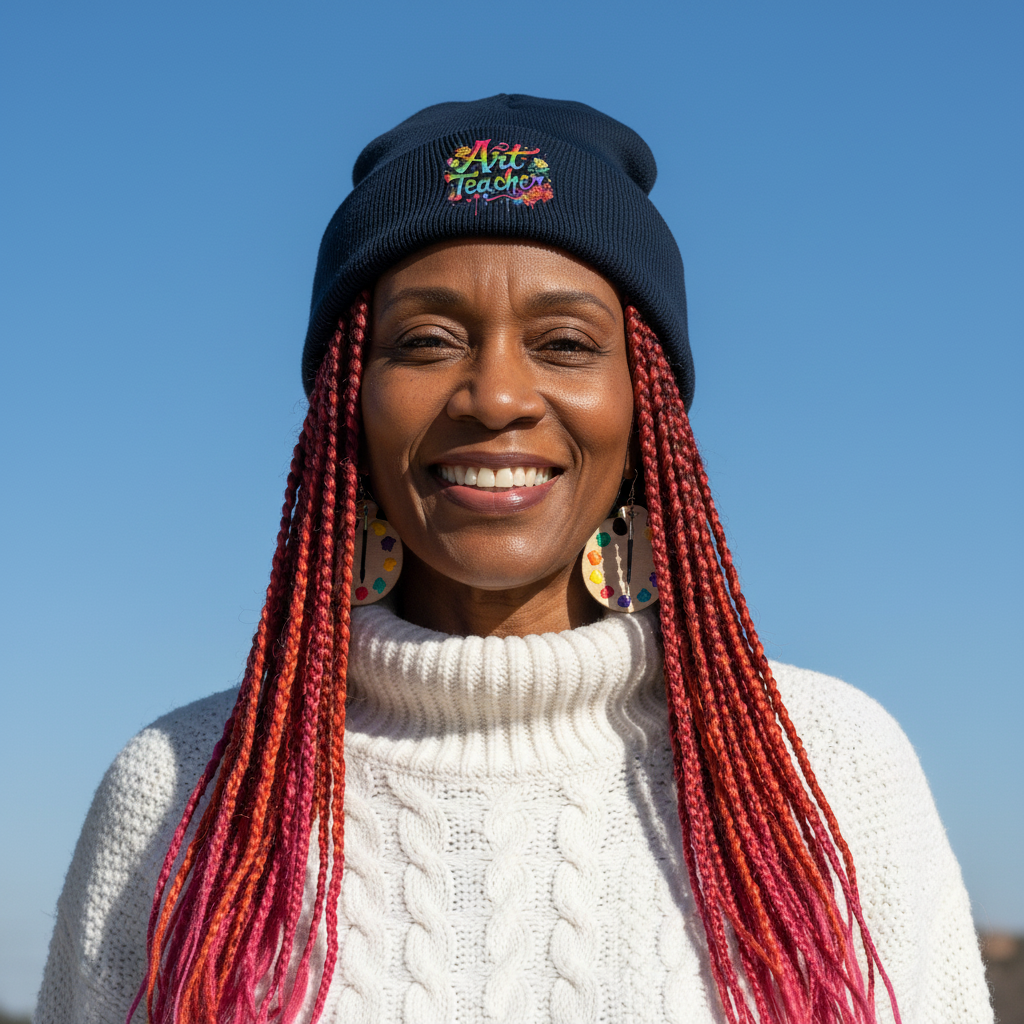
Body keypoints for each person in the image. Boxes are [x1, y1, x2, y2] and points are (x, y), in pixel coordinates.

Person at [36, 95, 992, 1024]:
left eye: (566, 343)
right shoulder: (182, 786)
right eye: (427, 340)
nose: (495, 394)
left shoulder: (826, 767)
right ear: (346, 408)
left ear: (644, 407)